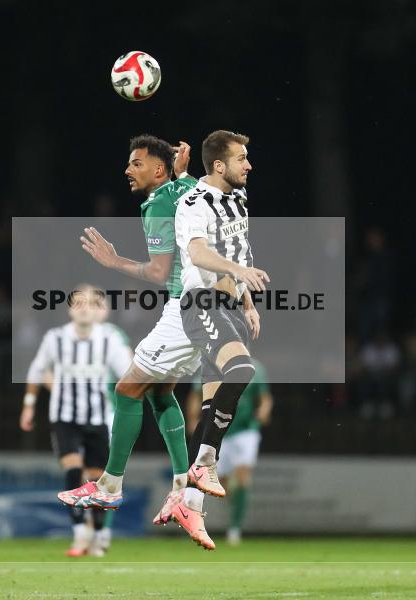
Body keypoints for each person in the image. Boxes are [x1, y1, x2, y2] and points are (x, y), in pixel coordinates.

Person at [58, 137, 203, 542]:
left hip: (185, 308)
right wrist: (182, 173)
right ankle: (183, 491)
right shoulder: (187, 188)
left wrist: (113, 260)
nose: (128, 169)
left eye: (136, 163)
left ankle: (109, 487)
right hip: (206, 308)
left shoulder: (158, 203)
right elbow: (198, 197)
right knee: (159, 394)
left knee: (126, 389)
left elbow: (158, 273)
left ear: (158, 170)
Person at [173, 130, 268, 549]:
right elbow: (197, 254)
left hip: (229, 305)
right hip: (201, 303)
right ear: (218, 165)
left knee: (212, 404)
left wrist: (246, 300)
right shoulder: (193, 202)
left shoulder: (237, 199)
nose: (248, 165)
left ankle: (187, 501)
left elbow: (240, 250)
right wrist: (238, 272)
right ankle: (206, 463)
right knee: (242, 370)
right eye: (242, 158)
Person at [20, 285, 133, 557]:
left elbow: (129, 373)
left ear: (100, 310)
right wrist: (29, 406)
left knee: (97, 480)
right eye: (78, 302)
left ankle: (99, 532)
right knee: (72, 468)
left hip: (99, 417)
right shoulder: (55, 338)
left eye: (91, 303)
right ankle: (80, 532)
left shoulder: (110, 339)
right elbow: (37, 370)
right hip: (65, 417)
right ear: (70, 308)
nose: (84, 307)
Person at [185, 358, 272, 545]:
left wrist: (263, 412)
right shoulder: (210, 365)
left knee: (242, 476)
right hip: (218, 433)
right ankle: (235, 503)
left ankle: (235, 528)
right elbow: (195, 394)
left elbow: (265, 398)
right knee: (222, 484)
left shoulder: (256, 368)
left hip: (245, 430)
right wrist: (193, 419)